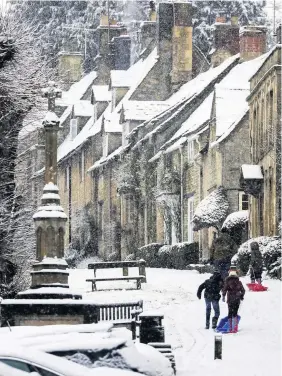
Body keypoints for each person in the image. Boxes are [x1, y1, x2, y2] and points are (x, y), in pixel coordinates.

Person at [222, 266, 245, 333]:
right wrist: (241, 296)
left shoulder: (227, 282)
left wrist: (223, 296)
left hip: (230, 299)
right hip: (237, 299)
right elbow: (243, 290)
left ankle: (230, 328)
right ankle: (235, 328)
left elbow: (224, 290)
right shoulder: (239, 282)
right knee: (235, 313)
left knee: (230, 313)